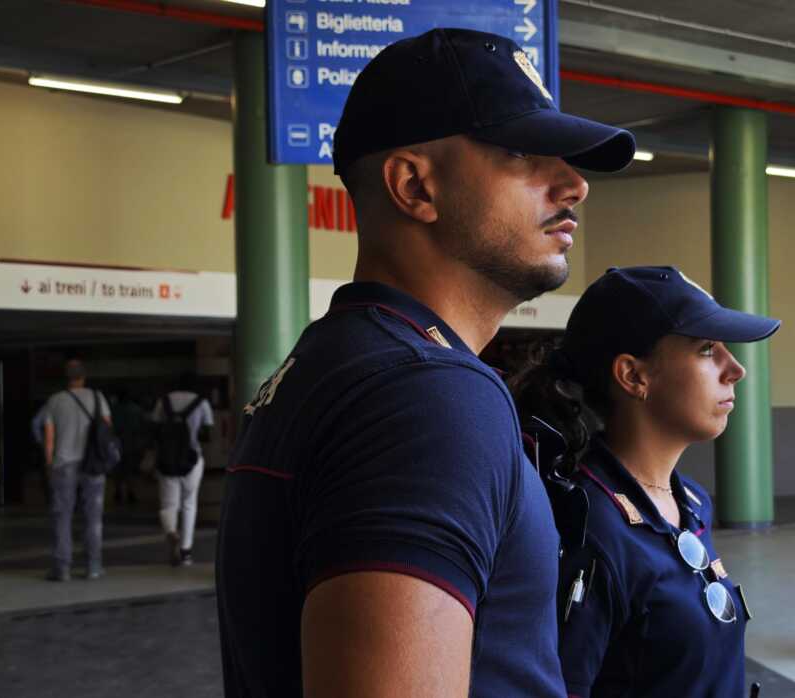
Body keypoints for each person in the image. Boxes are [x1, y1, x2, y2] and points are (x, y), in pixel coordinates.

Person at [216, 27, 634, 698]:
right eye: (523, 152)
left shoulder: (339, 362)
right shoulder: (425, 395)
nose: (574, 184)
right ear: (414, 185)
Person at [510, 266, 780, 698]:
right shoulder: (591, 527)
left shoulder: (689, 501)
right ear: (633, 376)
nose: (736, 370)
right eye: (708, 349)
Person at [43, 358, 112, 581]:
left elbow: (49, 437)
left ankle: (62, 568)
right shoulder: (98, 397)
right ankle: (93, 566)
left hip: (64, 464)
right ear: (83, 377)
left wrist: (49, 464)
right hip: (93, 463)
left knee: (62, 516)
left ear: (66, 378)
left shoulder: (55, 401)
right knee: (93, 516)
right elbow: (107, 429)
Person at [152, 372, 214, 567]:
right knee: (189, 504)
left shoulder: (163, 402)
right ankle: (186, 551)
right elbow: (207, 433)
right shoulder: (202, 403)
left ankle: (171, 531)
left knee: (168, 505)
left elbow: (155, 429)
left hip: (167, 460)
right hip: (192, 459)